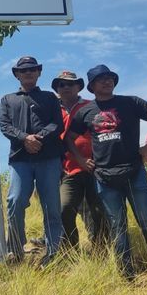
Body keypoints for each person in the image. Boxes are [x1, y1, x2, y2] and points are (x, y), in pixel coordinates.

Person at [66, 65, 147, 279]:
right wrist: (80, 160)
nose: (107, 81)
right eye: (101, 79)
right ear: (92, 86)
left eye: (110, 78)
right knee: (117, 227)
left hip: (134, 172)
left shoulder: (130, 102)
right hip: (104, 178)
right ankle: (127, 276)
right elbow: (68, 137)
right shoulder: (86, 111)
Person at [0, 56, 64, 266]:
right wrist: (24, 138)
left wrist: (39, 138)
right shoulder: (8, 99)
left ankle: (54, 251)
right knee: (15, 201)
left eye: (32, 69)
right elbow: (5, 126)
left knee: (51, 205)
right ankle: (16, 250)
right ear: (17, 74)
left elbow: (57, 123)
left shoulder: (50, 98)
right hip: (20, 160)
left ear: (39, 72)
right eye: (23, 70)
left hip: (48, 159)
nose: (28, 73)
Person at [52, 70, 109, 250]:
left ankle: (101, 250)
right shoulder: (52, 109)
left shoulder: (91, 106)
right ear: (57, 89)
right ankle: (71, 251)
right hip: (67, 169)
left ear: (79, 86)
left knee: (99, 210)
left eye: (71, 84)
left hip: (95, 167)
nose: (66, 87)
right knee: (64, 209)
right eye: (62, 84)